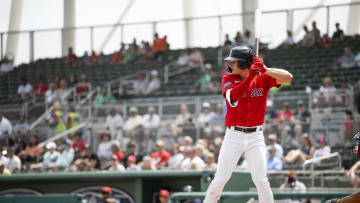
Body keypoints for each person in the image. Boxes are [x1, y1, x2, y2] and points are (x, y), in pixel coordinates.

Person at [204, 46, 293, 203]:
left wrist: (265, 70)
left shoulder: (262, 77)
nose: (230, 65)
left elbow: (288, 77)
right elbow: (233, 97)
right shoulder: (228, 78)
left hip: (255, 136)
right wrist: (251, 76)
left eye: (234, 62)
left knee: (261, 180)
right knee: (221, 178)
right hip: (233, 135)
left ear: (245, 64)